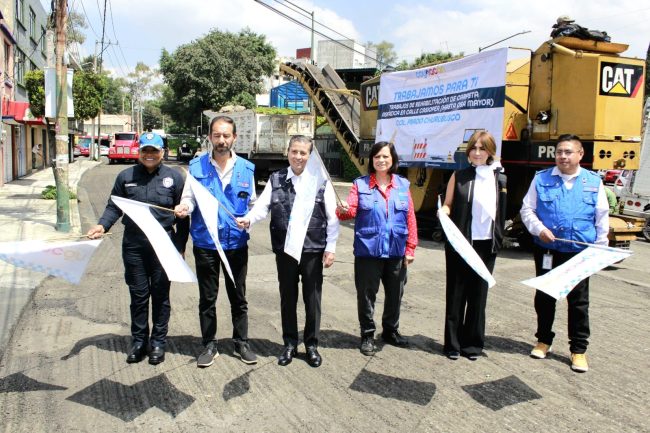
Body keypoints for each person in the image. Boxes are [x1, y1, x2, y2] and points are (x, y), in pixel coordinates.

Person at [237, 135, 339, 367]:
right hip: (286, 250)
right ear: (288, 152)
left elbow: (332, 217)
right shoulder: (277, 179)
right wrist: (248, 220)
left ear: (310, 155)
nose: (298, 157)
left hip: (313, 249)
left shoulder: (320, 180)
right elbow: (262, 208)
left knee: (312, 300)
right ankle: (290, 344)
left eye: (303, 153)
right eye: (294, 151)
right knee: (288, 298)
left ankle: (311, 345)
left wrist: (330, 248)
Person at [87, 132, 189, 365]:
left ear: (163, 152)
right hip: (134, 245)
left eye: (154, 150)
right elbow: (114, 206)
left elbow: (183, 217)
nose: (150, 155)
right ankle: (139, 342)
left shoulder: (175, 178)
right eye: (146, 150)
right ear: (139, 152)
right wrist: (102, 226)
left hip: (163, 244)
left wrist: (181, 247)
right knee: (139, 296)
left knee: (161, 296)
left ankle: (158, 343)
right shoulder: (125, 177)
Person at [520, 134, 609, 373]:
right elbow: (527, 210)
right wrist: (539, 230)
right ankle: (543, 341)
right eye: (559, 152)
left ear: (580, 155)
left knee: (578, 303)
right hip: (548, 250)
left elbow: (602, 217)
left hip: (579, 253)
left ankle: (578, 350)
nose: (562, 156)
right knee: (545, 297)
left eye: (568, 152)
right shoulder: (541, 179)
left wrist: (599, 249)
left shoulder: (593, 182)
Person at [174, 116, 258, 368]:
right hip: (206, 244)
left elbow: (253, 204)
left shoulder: (246, 169)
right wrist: (183, 208)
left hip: (236, 245)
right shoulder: (197, 167)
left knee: (238, 296)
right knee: (207, 298)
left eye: (226, 135)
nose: (221, 140)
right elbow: (189, 199)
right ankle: (209, 345)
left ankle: (241, 342)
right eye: (217, 135)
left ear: (234, 138)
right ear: (209, 137)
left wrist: (249, 220)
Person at [337, 141, 417, 356]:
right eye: (377, 157)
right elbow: (349, 212)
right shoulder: (360, 185)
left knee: (395, 294)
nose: (381, 161)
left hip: (395, 251)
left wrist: (411, 248)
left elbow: (410, 218)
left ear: (393, 160)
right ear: (371, 160)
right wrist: (343, 209)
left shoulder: (402, 185)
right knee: (366, 295)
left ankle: (391, 330)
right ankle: (367, 334)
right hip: (368, 251)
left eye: (385, 157)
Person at [439, 131, 507, 361]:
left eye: (482, 148)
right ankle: (452, 344)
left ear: (490, 151)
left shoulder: (500, 179)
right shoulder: (459, 176)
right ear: (468, 151)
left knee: (478, 297)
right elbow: (448, 204)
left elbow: (502, 213)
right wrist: (443, 212)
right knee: (456, 294)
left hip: (486, 245)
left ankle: (473, 345)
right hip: (460, 244)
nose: (477, 153)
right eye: (474, 148)